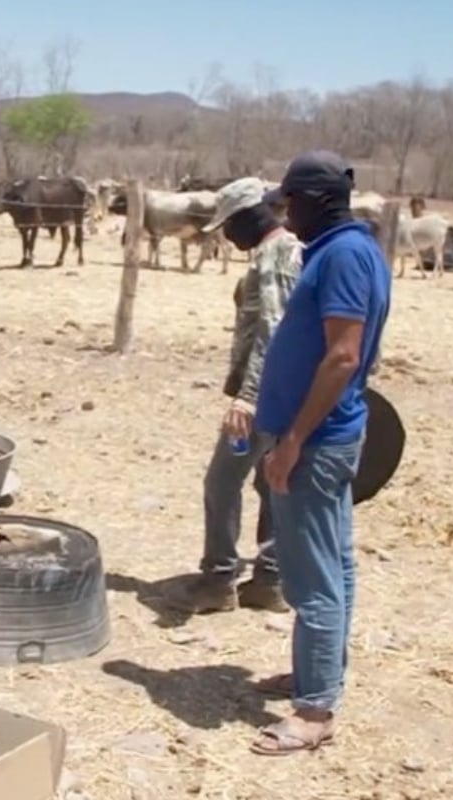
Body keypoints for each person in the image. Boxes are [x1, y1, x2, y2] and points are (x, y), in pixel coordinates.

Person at [248, 151, 391, 755]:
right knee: (334, 561)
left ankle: (313, 711)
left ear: (316, 201)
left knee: (312, 579)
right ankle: (322, 674)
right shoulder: (345, 251)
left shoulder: (344, 256)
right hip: (325, 434)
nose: (287, 213)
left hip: (317, 441)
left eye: (291, 202)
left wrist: (294, 438)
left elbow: (343, 356)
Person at [166, 177, 302, 615]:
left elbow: (273, 328)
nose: (226, 236)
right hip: (285, 391)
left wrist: (247, 396)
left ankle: (220, 578)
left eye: (229, 225)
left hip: (267, 395)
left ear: (250, 216)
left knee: (223, 480)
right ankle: (269, 578)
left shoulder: (275, 256)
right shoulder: (286, 250)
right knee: (271, 481)